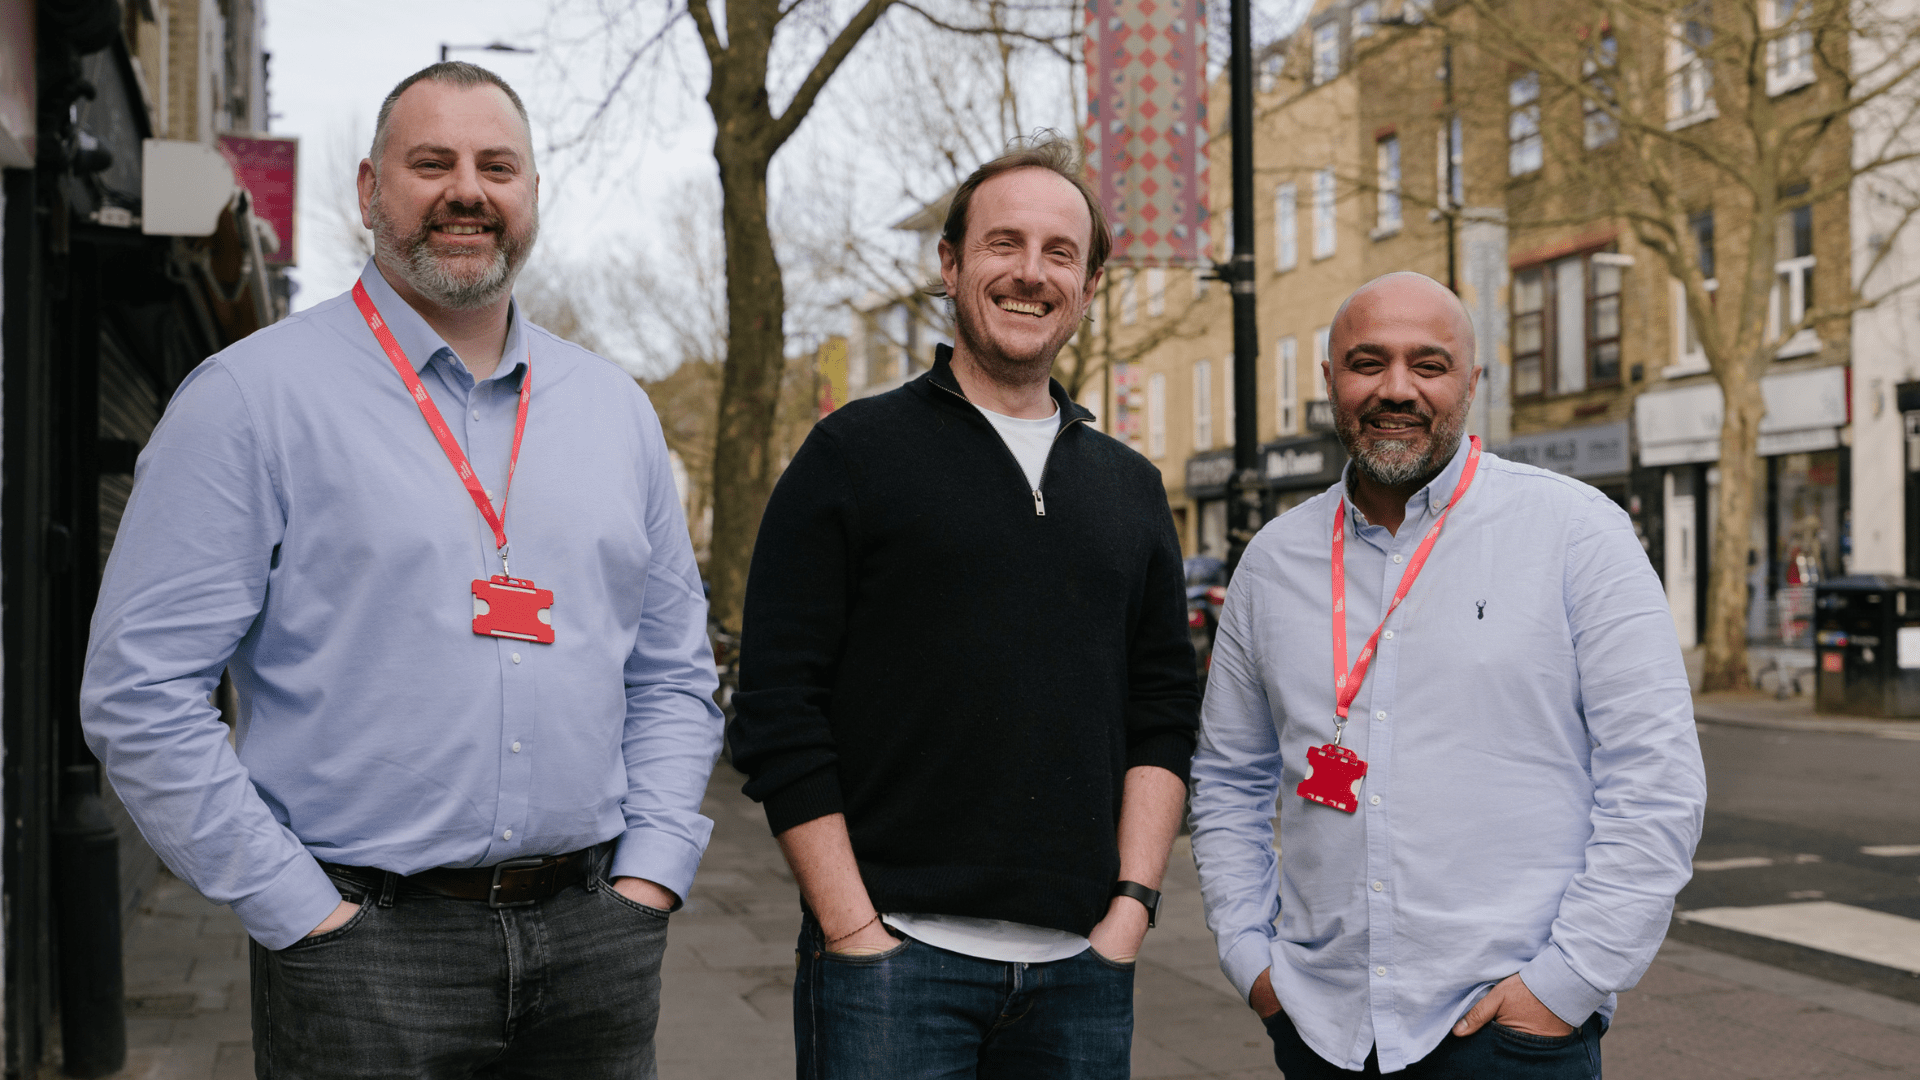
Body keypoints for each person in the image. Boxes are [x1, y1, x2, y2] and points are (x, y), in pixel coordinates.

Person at [81, 62, 722, 1076]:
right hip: (361, 959)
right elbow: (139, 691)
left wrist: (651, 873)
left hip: (595, 943)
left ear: (532, 193)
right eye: (432, 163)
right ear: (369, 189)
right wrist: (301, 911)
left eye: (497, 166)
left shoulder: (618, 413)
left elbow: (674, 673)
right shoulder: (250, 400)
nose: (468, 190)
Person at [727, 135, 1200, 1079]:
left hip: (1082, 973)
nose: (1030, 273)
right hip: (891, 968)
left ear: (1090, 285)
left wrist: (1130, 912)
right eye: (1003, 244)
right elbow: (778, 708)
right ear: (949, 265)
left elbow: (1161, 709)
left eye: (1059, 253)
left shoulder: (1131, 487)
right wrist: (851, 928)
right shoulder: (851, 456)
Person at [1189, 272, 1705, 1079]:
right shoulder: (1273, 562)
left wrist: (1566, 985)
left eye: (1428, 364)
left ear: (1472, 382)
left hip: (1509, 1034)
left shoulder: (1577, 533)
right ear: (1329, 379)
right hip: (1321, 1029)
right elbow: (1228, 776)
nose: (1396, 388)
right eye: (1368, 362)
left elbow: (1657, 779)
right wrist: (1250, 956)